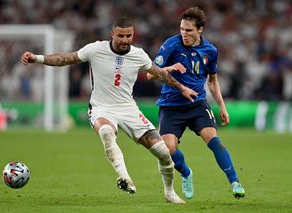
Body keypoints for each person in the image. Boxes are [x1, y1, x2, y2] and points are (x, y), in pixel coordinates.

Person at [21, 16, 198, 204]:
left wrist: (182, 88)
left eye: (128, 35)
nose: (124, 40)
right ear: (112, 33)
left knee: (163, 152)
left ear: (133, 35)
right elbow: (65, 58)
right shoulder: (95, 49)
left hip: (128, 109)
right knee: (106, 132)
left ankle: (170, 193)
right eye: (120, 35)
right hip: (101, 108)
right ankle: (124, 176)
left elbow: (159, 73)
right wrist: (37, 58)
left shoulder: (138, 54)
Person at [147, 7, 245, 199]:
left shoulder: (210, 50)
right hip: (171, 105)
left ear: (200, 30)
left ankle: (235, 182)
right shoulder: (170, 45)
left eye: (189, 30)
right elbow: (150, 74)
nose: (184, 33)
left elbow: (213, 81)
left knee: (213, 140)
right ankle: (186, 173)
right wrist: (170, 67)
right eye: (182, 29)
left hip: (197, 104)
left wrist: (222, 106)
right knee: (167, 149)